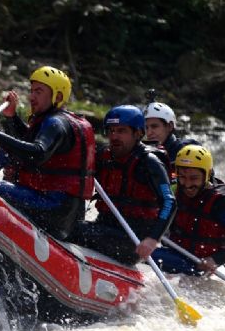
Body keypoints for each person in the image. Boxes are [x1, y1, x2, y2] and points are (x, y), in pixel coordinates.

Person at [0, 66, 95, 239]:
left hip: (53, 208)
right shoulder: (59, 120)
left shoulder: (56, 123)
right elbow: (27, 142)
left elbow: (36, 154)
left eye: (39, 91)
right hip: (65, 211)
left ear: (58, 97)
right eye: (31, 91)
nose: (31, 97)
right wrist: (12, 117)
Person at [68, 105, 176, 265]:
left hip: (132, 241)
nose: (114, 136)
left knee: (70, 229)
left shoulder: (149, 162)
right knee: (67, 221)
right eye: (111, 131)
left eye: (121, 131)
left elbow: (169, 202)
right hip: (104, 226)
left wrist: (153, 239)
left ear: (138, 133)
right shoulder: (104, 156)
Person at [146, 144, 225, 276]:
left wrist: (216, 260)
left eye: (194, 178)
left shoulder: (222, 203)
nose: (187, 184)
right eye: (182, 177)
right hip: (174, 253)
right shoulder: (174, 190)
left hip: (199, 265)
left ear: (207, 175)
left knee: (137, 253)